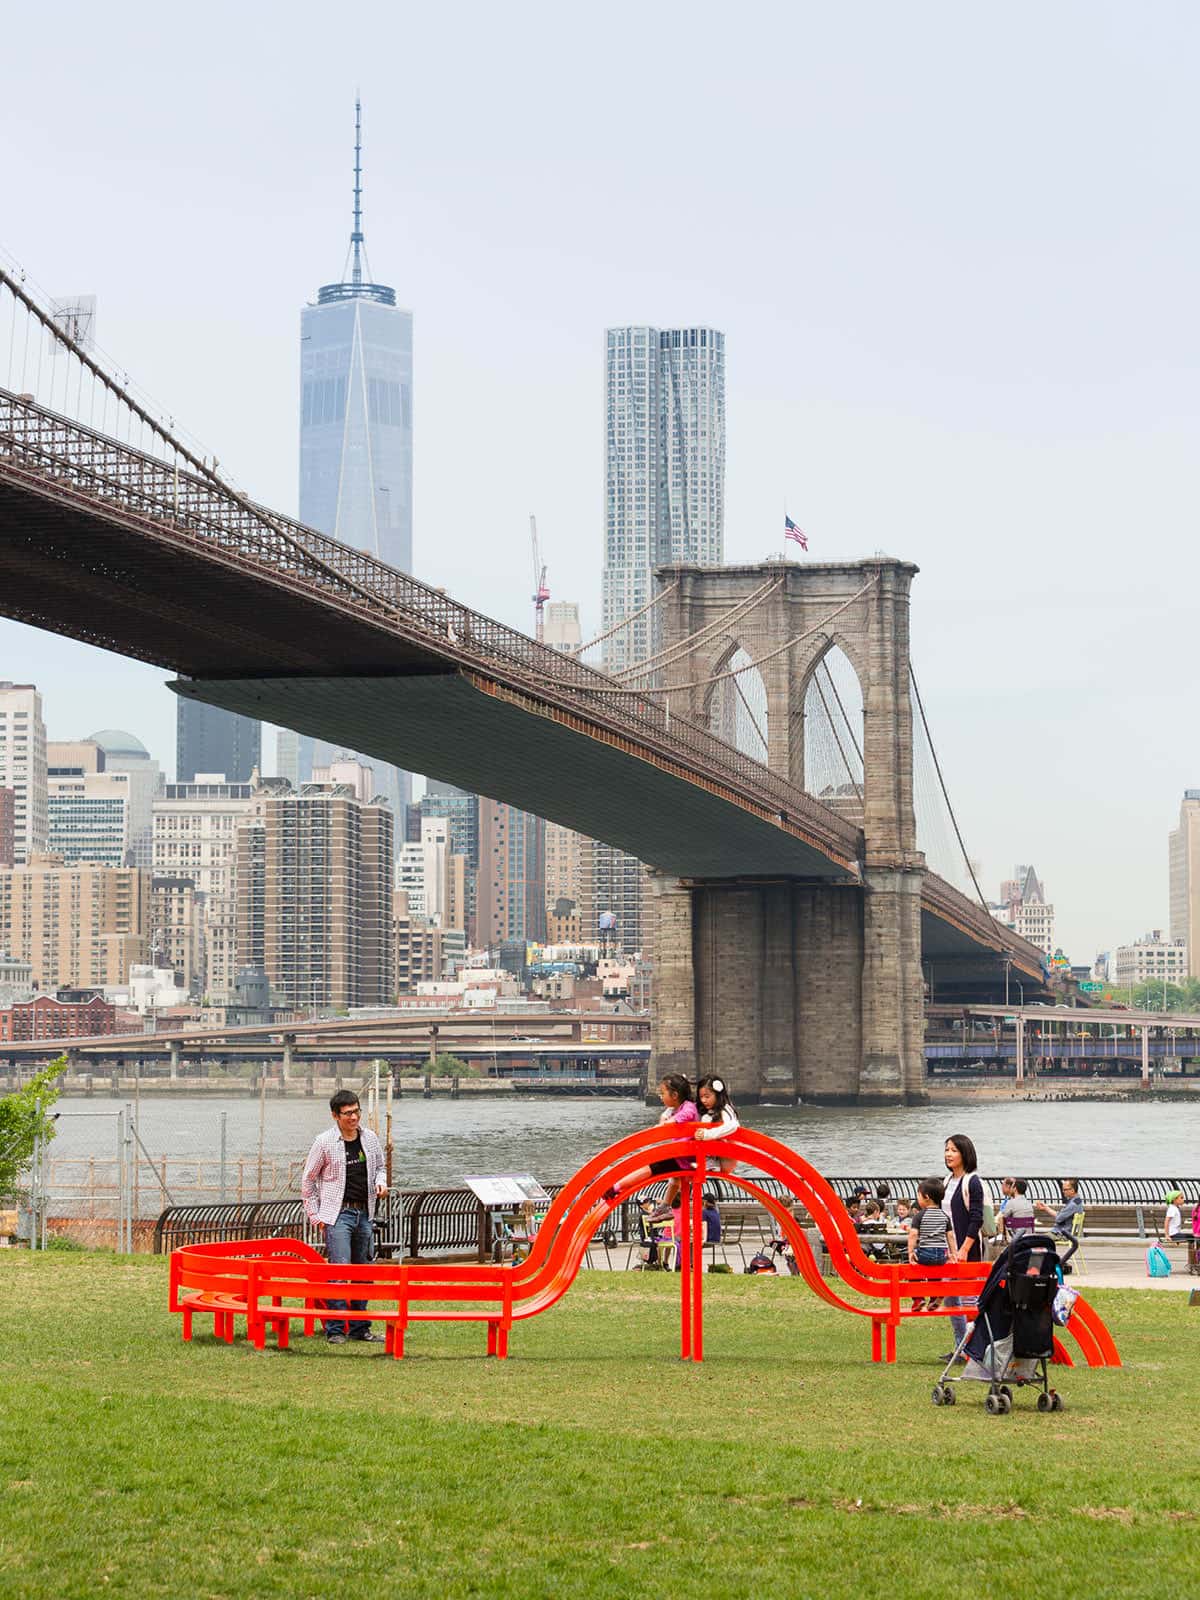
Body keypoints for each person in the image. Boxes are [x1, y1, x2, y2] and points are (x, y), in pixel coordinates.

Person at [301, 1090, 389, 1346]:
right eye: (348, 1113)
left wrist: (380, 1183)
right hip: (337, 1214)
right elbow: (308, 1180)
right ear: (335, 1115)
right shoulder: (324, 1142)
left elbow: (381, 1167)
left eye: (357, 1111)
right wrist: (315, 1216)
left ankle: (361, 1327)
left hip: (365, 1212)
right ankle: (336, 1328)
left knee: (363, 1271)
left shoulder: (370, 1139)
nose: (354, 1117)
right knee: (339, 1271)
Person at [603, 1073, 698, 1213]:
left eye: (663, 1093)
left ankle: (615, 1187)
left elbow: (684, 1116)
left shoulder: (688, 1107)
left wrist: (668, 1122)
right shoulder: (676, 1108)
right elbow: (665, 1121)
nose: (660, 1096)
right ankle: (665, 1205)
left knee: (649, 1168)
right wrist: (665, 1119)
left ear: (675, 1095)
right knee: (668, 1176)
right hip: (682, 1156)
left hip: (683, 1158)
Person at [941, 1132, 984, 1360]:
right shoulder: (947, 1181)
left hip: (967, 1250)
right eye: (947, 1149)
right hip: (949, 1251)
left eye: (954, 1150)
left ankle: (973, 1349)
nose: (949, 1154)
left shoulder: (973, 1182)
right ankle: (961, 1346)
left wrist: (965, 1249)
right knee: (950, 1297)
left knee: (968, 1300)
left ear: (965, 1153)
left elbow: (977, 1218)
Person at [908, 1177, 951, 1312]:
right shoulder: (945, 1216)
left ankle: (918, 1299)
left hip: (926, 1253)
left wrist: (910, 1252)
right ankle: (934, 1297)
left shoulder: (920, 1216)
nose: (917, 1199)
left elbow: (913, 1235)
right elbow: (950, 1236)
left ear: (926, 1197)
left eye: (918, 1195)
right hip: (941, 1255)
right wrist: (953, 1253)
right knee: (935, 1271)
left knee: (912, 1271)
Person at [694, 1075, 740, 1172]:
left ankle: (710, 1162)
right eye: (701, 1097)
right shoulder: (708, 1112)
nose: (703, 1100)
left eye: (707, 1096)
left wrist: (707, 1134)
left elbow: (733, 1125)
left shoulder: (725, 1109)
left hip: (726, 1159)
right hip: (714, 1156)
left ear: (718, 1095)